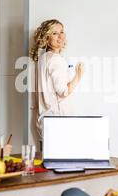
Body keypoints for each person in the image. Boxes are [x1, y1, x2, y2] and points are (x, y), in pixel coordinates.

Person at [29, 19, 85, 152]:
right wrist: (78, 75)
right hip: (58, 124)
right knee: (62, 168)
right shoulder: (56, 60)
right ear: (46, 38)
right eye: (55, 33)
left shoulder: (43, 58)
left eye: (61, 32)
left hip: (45, 122)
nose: (60, 36)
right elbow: (63, 92)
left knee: (47, 166)